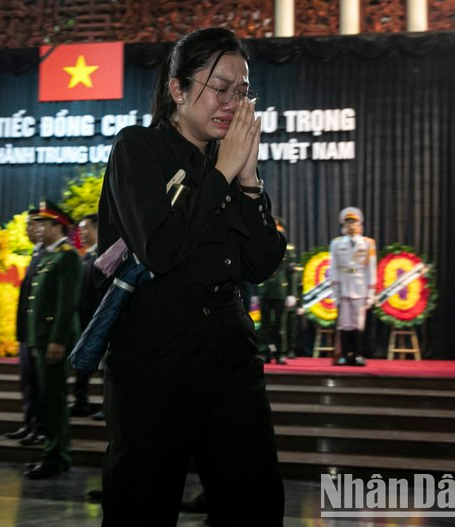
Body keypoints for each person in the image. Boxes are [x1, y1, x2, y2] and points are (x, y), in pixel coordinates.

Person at [96, 28, 286, 526]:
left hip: (229, 345)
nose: (232, 102)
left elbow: (262, 263)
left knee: (256, 500)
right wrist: (222, 174)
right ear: (178, 90)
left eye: (242, 91)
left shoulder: (222, 165)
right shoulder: (138, 149)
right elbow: (160, 250)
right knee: (143, 501)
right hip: (157, 350)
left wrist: (248, 181)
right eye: (220, 87)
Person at [24, 199, 81, 479]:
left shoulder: (67, 257)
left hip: (53, 341)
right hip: (41, 339)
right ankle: (51, 452)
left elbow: (66, 304)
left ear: (58, 227)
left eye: (44, 224)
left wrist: (58, 340)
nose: (38, 229)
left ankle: (56, 455)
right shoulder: (49, 256)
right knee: (47, 399)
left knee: (55, 400)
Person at [6, 209, 47, 446]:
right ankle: (30, 423)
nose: (30, 229)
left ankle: (40, 428)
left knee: (39, 384)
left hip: (39, 333)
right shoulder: (36, 254)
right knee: (28, 381)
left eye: (34, 225)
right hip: (28, 332)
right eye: (29, 225)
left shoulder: (51, 256)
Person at [329, 207, 377, 366]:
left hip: (360, 287)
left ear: (359, 225)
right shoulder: (336, 243)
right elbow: (333, 267)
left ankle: (356, 355)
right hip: (343, 286)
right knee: (344, 323)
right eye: (348, 223)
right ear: (344, 225)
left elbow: (371, 269)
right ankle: (343, 355)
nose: (351, 226)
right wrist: (334, 291)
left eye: (354, 223)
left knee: (358, 323)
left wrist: (371, 293)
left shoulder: (367, 244)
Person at [70, 213, 104, 418]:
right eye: (79, 230)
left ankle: (105, 407)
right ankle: (80, 402)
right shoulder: (87, 257)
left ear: (97, 229)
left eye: (85, 229)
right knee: (83, 366)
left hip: (95, 322)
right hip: (84, 322)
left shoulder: (102, 256)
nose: (81, 233)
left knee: (102, 367)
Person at [257, 217, 298, 364]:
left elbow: (291, 273)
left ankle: (281, 352)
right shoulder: (261, 246)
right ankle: (264, 351)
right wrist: (256, 292)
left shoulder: (288, 249)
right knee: (265, 324)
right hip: (265, 290)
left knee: (280, 325)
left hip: (281, 290)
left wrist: (292, 294)